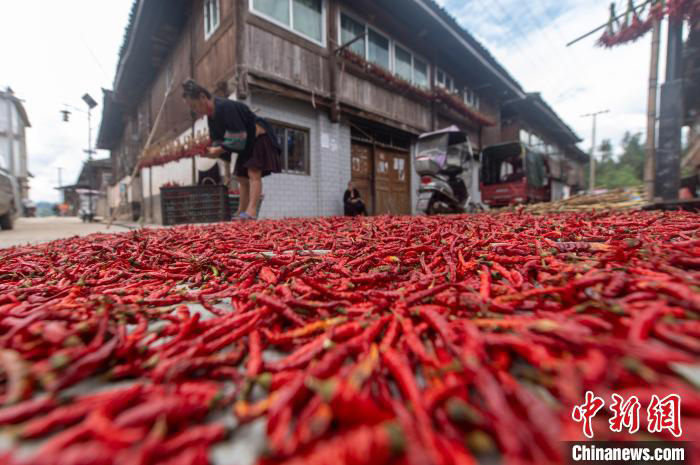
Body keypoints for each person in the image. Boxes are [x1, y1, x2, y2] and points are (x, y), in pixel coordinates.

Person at [182, 79, 281, 220]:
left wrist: (217, 151)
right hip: (246, 141)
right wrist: (205, 149)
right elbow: (216, 139)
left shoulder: (224, 107)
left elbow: (237, 138)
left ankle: (251, 212)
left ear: (203, 97)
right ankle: (241, 212)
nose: (194, 110)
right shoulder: (211, 117)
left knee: (253, 172)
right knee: (241, 176)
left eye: (194, 105)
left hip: (258, 135)